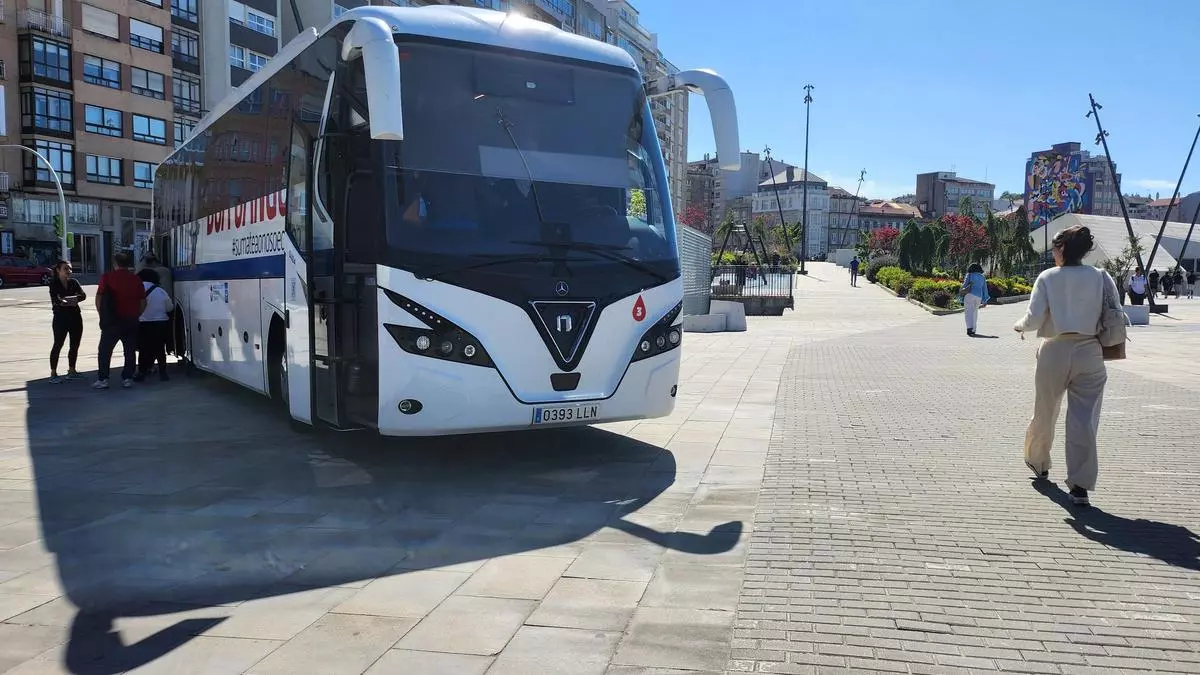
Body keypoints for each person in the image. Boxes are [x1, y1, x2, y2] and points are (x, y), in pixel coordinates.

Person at [1014, 225, 1115, 507]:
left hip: (1055, 349)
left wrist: (1018, 325)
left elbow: (1033, 320)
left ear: (1060, 250)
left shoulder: (1048, 277)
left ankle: (1039, 461)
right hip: (1090, 350)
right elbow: (1114, 311)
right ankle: (1080, 486)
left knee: (1046, 410)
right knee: (1084, 419)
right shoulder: (1100, 277)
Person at [94, 251, 146, 390]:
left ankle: (103, 379)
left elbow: (99, 298)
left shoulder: (107, 277)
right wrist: (136, 314)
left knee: (105, 350)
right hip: (131, 320)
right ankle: (127, 378)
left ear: (115, 264)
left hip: (112, 321)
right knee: (129, 351)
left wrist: (102, 315)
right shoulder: (135, 279)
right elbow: (143, 301)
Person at [48, 261, 86, 383]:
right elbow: (56, 299)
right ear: (58, 270)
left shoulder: (74, 282)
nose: (69, 271)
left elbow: (83, 295)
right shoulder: (54, 283)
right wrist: (63, 301)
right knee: (58, 344)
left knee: (74, 345)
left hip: (75, 317)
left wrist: (75, 299)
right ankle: (53, 373)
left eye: (70, 268)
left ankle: (72, 370)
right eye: (66, 268)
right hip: (60, 318)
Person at [135, 268, 174, 382]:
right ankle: (163, 373)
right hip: (160, 324)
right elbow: (169, 307)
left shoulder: (137, 289)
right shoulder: (160, 291)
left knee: (143, 350)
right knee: (160, 349)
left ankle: (142, 372)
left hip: (143, 324)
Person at [961, 262, 990, 336]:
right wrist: (985, 300)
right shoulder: (982, 277)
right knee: (975, 313)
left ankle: (969, 329)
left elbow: (964, 285)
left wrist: (961, 293)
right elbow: (985, 289)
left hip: (969, 295)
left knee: (968, 313)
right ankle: (973, 330)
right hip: (978, 297)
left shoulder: (970, 275)